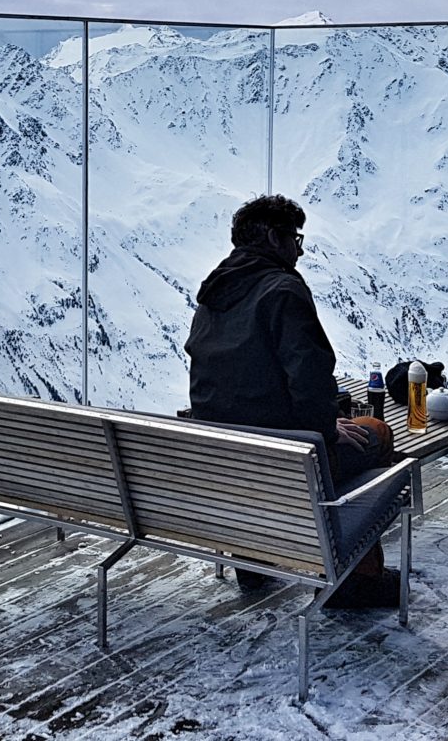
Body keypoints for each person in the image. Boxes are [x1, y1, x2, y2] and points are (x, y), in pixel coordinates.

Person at [186, 194, 400, 607]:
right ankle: (358, 580)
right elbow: (310, 376)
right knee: (375, 433)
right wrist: (325, 426)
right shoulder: (282, 290)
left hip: (222, 456)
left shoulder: (213, 294)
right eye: (295, 240)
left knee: (300, 449)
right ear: (273, 238)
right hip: (286, 459)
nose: (299, 251)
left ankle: (252, 561)